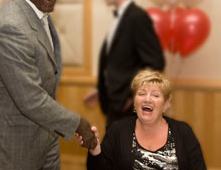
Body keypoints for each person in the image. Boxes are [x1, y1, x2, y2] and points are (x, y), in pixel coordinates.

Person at [0, 0, 96, 170]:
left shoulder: (38, 12)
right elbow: (30, 99)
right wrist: (77, 124)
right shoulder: (10, 27)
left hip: (43, 135)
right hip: (11, 146)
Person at [84, 0, 165, 128]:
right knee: (111, 151)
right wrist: (102, 92)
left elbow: (156, 62)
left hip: (129, 109)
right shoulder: (121, 17)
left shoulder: (137, 17)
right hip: (115, 105)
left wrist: (132, 96)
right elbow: (119, 64)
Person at [77, 69, 207, 170]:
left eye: (155, 95)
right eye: (142, 93)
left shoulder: (183, 132)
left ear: (165, 105)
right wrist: (95, 150)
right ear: (134, 102)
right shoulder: (117, 130)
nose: (147, 99)